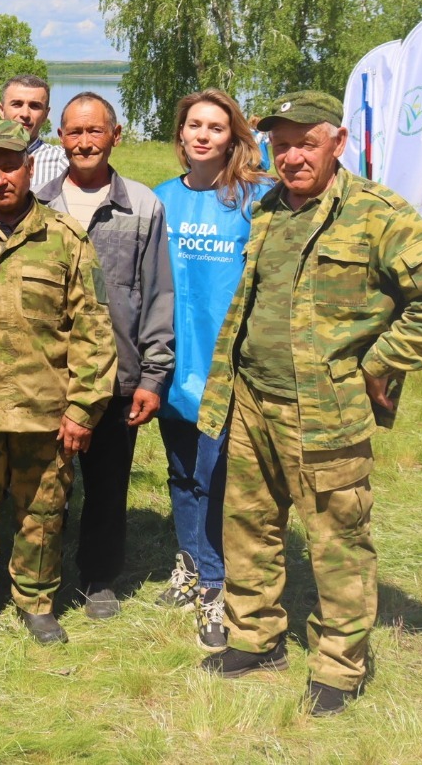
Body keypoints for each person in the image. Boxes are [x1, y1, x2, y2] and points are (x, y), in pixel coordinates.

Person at [197, 91, 422, 716]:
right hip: (252, 397)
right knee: (249, 527)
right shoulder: (270, 209)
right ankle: (255, 637)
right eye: (280, 144)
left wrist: (379, 363)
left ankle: (340, 665)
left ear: (338, 142)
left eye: (306, 142)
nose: (291, 156)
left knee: (338, 537)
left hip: (325, 409)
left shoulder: (375, 213)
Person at [0, 121, 116, 645]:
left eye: (8, 165)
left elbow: (94, 330)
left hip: (45, 410)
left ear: (29, 167)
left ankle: (36, 600)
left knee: (43, 511)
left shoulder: (65, 238)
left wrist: (83, 410)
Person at [38, 92, 174, 618]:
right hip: (49, 374)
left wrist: (154, 375)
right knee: (46, 485)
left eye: (95, 131)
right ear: (60, 137)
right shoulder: (39, 201)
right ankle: (39, 577)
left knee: (108, 484)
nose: (84, 142)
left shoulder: (142, 205)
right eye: (74, 132)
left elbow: (158, 293)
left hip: (119, 375)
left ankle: (97, 577)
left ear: (115, 136)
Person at [151, 89, 271, 649]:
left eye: (215, 127)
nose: (203, 135)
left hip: (227, 368)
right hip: (171, 365)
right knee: (180, 473)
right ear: (180, 136)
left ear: (233, 137)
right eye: (194, 125)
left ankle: (218, 588)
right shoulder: (160, 200)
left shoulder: (255, 200)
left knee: (216, 477)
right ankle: (192, 565)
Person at [0, 75, 67, 195]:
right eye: (17, 104)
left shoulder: (62, 161)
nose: (25, 114)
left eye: (35, 106)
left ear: (46, 114)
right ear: (1, 110)